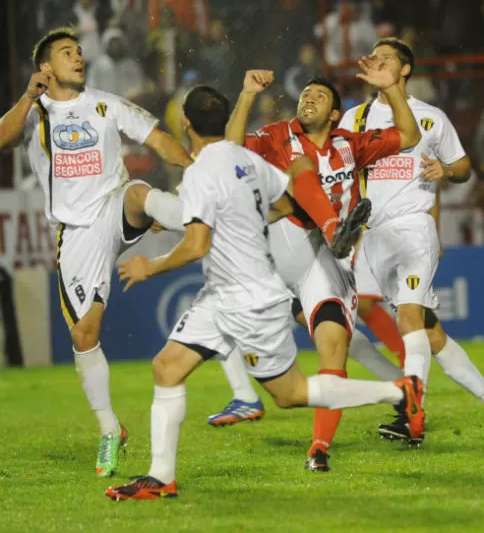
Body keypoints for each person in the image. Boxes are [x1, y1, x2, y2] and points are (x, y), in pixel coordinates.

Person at [104, 85, 424, 500]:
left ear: (184, 123)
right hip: (226, 291)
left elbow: (198, 245)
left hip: (247, 298)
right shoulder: (246, 159)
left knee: (290, 394)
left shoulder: (203, 171)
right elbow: (288, 201)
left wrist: (152, 265)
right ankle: (161, 478)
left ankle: (398, 392)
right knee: (167, 367)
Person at [0, 27, 189, 477]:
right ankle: (110, 429)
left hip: (113, 203)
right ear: (46, 67)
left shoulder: (106, 103)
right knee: (85, 334)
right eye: (67, 52)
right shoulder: (36, 111)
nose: (78, 57)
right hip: (76, 232)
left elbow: (160, 141)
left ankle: (210, 209)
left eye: (80, 51)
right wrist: (27, 96)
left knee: (140, 195)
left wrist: (202, 169)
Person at [222, 60, 422, 471]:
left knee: (334, 349)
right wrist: (246, 95)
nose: (307, 99)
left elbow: (409, 135)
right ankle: (334, 227)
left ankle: (319, 448)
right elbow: (230, 146)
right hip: (280, 247)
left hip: (324, 264)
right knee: (298, 171)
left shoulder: (350, 143)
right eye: (304, 94)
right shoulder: (278, 135)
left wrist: (393, 90)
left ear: (334, 113)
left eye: (319, 96)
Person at [338, 38, 484, 444]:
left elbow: (463, 167)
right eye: (375, 55)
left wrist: (446, 171)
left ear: (404, 70)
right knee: (428, 332)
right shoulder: (355, 119)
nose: (378, 61)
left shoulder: (431, 118)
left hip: (414, 226)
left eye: (387, 58)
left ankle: (410, 414)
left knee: (407, 319)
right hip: (373, 234)